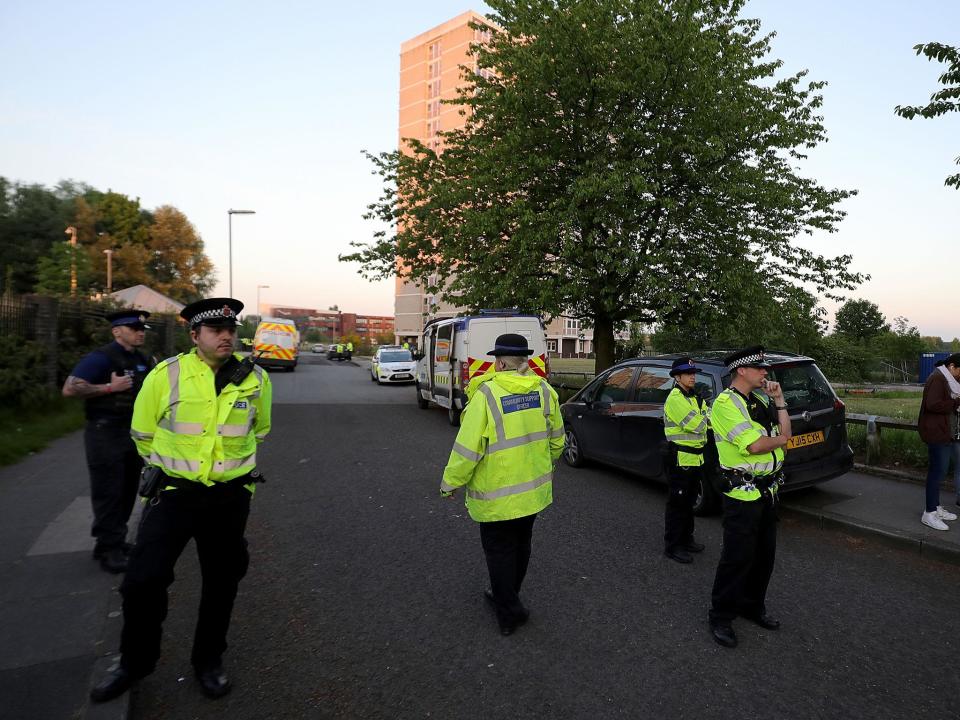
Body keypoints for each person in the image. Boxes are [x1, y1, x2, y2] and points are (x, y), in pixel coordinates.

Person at [90, 298, 272, 703]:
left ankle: (208, 660)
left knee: (221, 583)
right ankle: (133, 663)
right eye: (215, 330)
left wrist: (235, 480)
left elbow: (259, 430)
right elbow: (142, 432)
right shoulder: (166, 375)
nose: (226, 336)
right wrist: (173, 467)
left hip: (228, 499)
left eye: (231, 329)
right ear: (195, 336)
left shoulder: (256, 378)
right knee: (142, 581)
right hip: (174, 495)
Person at [440, 333, 564, 636]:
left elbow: (468, 449)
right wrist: (538, 464)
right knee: (521, 545)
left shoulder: (487, 395)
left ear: (498, 362)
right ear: (525, 360)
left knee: (499, 552)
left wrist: (450, 483)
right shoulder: (545, 391)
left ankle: (508, 612)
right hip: (532, 492)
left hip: (497, 496)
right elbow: (558, 441)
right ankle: (510, 597)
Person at [707, 346, 791, 649]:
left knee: (763, 557)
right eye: (759, 368)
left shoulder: (759, 399)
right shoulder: (725, 404)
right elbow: (756, 446)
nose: (765, 372)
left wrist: (780, 401)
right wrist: (779, 439)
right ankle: (721, 615)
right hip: (742, 495)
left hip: (768, 491)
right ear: (741, 370)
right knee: (736, 558)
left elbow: (785, 433)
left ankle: (752, 606)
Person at [62, 309, 154, 573]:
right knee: (109, 491)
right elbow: (70, 388)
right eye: (134, 329)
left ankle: (114, 540)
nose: (140, 333)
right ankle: (109, 549)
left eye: (141, 330)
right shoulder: (101, 358)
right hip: (104, 432)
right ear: (117, 331)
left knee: (127, 491)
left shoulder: (142, 359)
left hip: (132, 433)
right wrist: (110, 388)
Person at [662, 357, 710, 564]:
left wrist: (704, 410)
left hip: (696, 457)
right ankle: (673, 546)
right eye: (688, 374)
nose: (692, 376)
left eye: (693, 373)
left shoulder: (693, 397)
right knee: (678, 503)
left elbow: (709, 419)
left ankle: (686, 539)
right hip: (681, 457)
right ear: (677, 377)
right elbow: (698, 424)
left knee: (689, 501)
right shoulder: (675, 398)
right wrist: (705, 412)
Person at [918, 353, 960, 530]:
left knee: (940, 472)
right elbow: (932, 404)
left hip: (944, 432)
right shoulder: (938, 378)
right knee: (937, 472)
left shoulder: (945, 378)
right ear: (952, 366)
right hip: (936, 433)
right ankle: (929, 513)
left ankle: (935, 507)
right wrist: (956, 402)